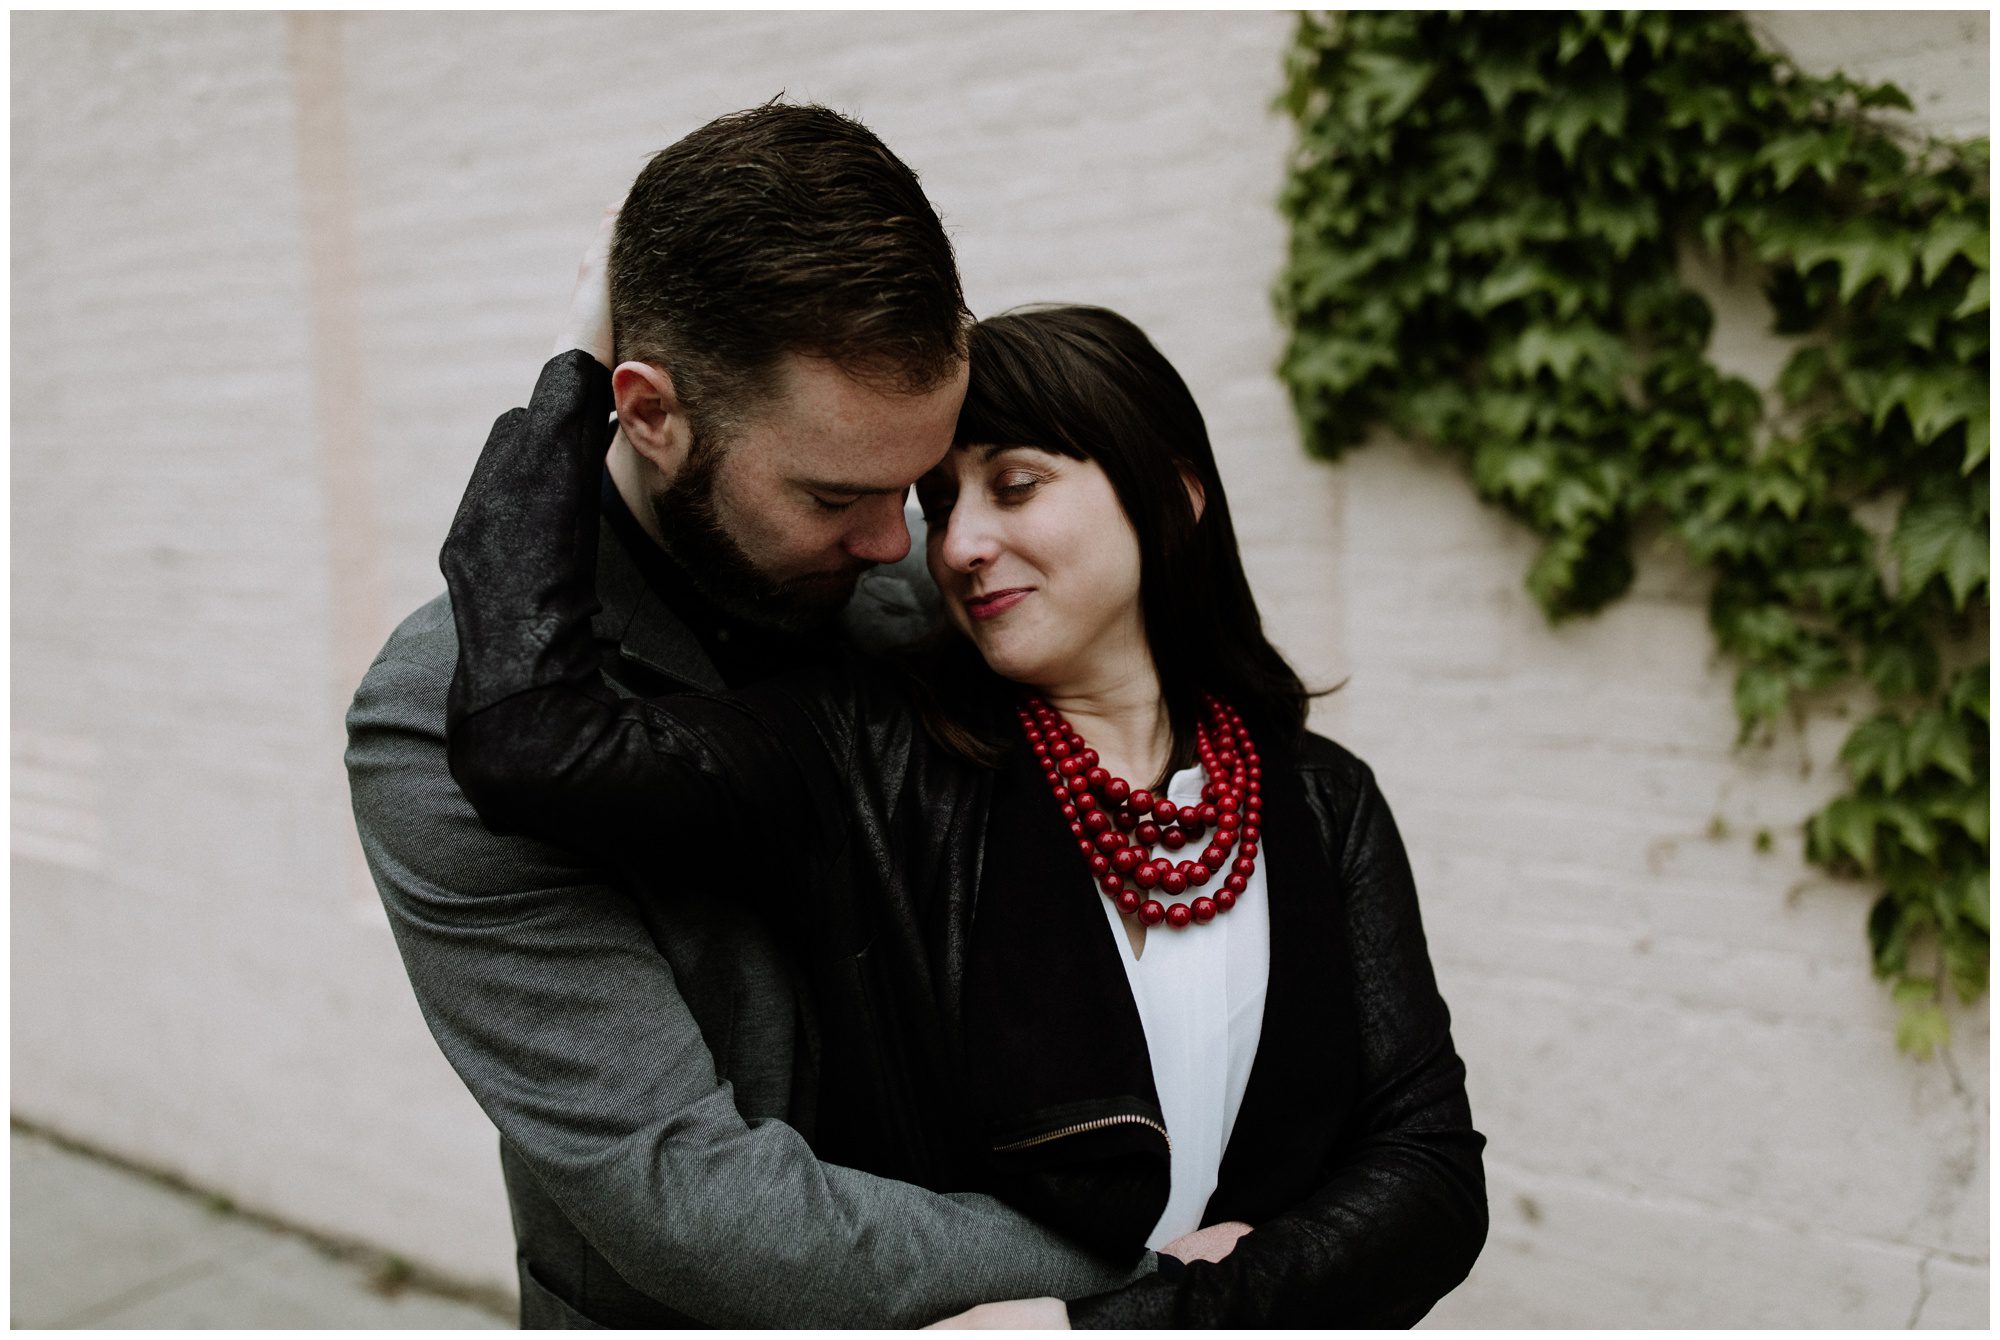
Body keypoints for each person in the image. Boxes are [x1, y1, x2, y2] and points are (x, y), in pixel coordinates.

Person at [437, 231, 1490, 1325]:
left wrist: (1116, 1323)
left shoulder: (1319, 798)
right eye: (944, 503)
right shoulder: (869, 751)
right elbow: (531, 741)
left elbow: (1428, 1174)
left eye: (1015, 485)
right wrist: (574, 373)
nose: (957, 545)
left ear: (1172, 498)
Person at [345, 103, 1161, 1328]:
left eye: (913, 485)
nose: (901, 542)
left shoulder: (915, 588)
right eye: (836, 493)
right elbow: (693, 1203)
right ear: (649, 413)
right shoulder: (433, 719)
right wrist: (1159, 1287)